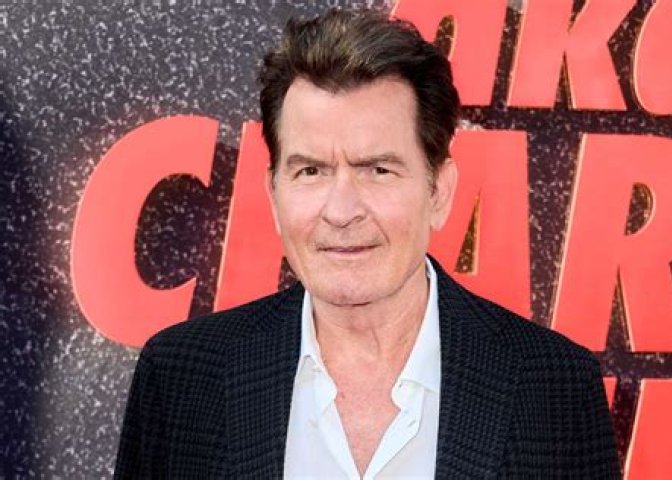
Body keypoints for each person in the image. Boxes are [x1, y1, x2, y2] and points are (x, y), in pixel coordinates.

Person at [115, 9, 620, 479]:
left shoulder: (554, 386)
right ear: (273, 193)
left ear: (439, 191)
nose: (341, 211)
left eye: (377, 170)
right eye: (310, 171)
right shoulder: (182, 378)